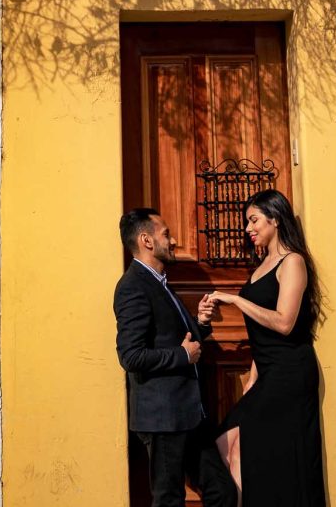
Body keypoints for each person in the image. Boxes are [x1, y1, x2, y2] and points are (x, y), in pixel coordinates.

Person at [207, 190, 326, 506]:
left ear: (275, 218)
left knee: (253, 454)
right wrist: (251, 380)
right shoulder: (261, 266)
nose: (248, 228)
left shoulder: (293, 262)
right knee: (225, 445)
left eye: (254, 219)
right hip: (267, 374)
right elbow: (260, 334)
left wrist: (236, 300)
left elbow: (284, 323)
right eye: (248, 221)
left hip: (290, 373)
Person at [114, 208, 237, 507]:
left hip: (187, 414)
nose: (174, 240)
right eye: (166, 234)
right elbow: (131, 355)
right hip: (162, 417)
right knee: (169, 500)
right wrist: (182, 356)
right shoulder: (133, 286)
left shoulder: (159, 282)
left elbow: (171, 337)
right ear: (146, 240)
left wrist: (202, 323)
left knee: (222, 492)